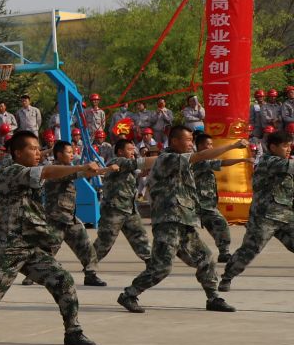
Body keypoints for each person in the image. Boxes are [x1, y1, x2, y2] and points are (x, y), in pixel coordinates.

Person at [0, 130, 103, 345]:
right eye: (33, 149)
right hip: (6, 248)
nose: (38, 153)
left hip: (30, 246)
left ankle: (73, 331)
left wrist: (85, 170)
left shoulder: (30, 171)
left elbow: (55, 173)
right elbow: (47, 171)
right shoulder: (13, 171)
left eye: (39, 148)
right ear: (18, 153)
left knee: (63, 280)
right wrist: (79, 167)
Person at [117, 127, 248, 314]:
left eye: (191, 140)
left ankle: (213, 298)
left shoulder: (184, 162)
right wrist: (233, 145)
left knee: (206, 259)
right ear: (175, 141)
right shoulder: (167, 159)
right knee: (162, 267)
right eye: (187, 140)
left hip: (184, 221)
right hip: (168, 221)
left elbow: (211, 162)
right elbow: (201, 157)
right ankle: (129, 294)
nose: (190, 144)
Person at [220, 131, 293, 291]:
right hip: (264, 218)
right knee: (250, 250)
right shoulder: (269, 161)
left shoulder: (283, 162)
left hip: (285, 215)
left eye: (290, 145)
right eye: (285, 146)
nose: (289, 149)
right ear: (273, 147)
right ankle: (227, 277)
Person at [37, 139, 104, 287]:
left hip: (69, 217)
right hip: (56, 218)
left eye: (72, 152)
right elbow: (77, 173)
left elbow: (81, 172)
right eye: (69, 152)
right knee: (47, 250)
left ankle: (91, 275)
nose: (72, 155)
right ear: (59, 154)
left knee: (86, 247)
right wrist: (90, 169)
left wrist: (104, 170)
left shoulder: (69, 168)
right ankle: (33, 274)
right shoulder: (55, 169)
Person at [191, 130, 236, 264]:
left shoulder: (205, 160)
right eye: (207, 144)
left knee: (219, 226)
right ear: (198, 146)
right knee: (182, 233)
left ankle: (224, 253)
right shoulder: (197, 160)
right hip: (195, 205)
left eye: (211, 144)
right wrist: (243, 159)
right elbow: (222, 163)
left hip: (207, 205)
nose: (210, 147)